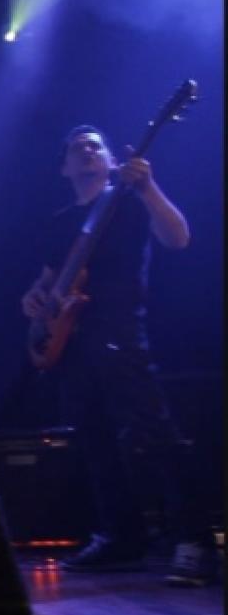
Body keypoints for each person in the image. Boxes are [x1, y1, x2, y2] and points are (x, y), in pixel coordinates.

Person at [19, 125, 219, 586]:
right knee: (95, 438)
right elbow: (48, 280)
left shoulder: (128, 203)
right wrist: (33, 298)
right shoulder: (60, 221)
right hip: (71, 340)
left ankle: (195, 540)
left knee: (152, 431)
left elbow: (178, 237)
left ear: (111, 161)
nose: (88, 151)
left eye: (96, 146)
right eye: (78, 148)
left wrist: (148, 187)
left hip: (118, 329)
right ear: (64, 167)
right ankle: (121, 537)